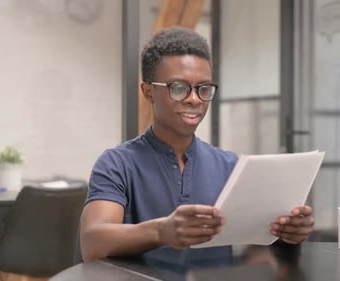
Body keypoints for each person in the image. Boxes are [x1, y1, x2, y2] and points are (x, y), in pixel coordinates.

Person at [80, 26, 315, 262]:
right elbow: (92, 242)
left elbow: (258, 247)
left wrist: (287, 232)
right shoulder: (117, 164)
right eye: (179, 88)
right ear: (149, 91)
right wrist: (161, 231)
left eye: (203, 88)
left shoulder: (231, 167)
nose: (194, 99)